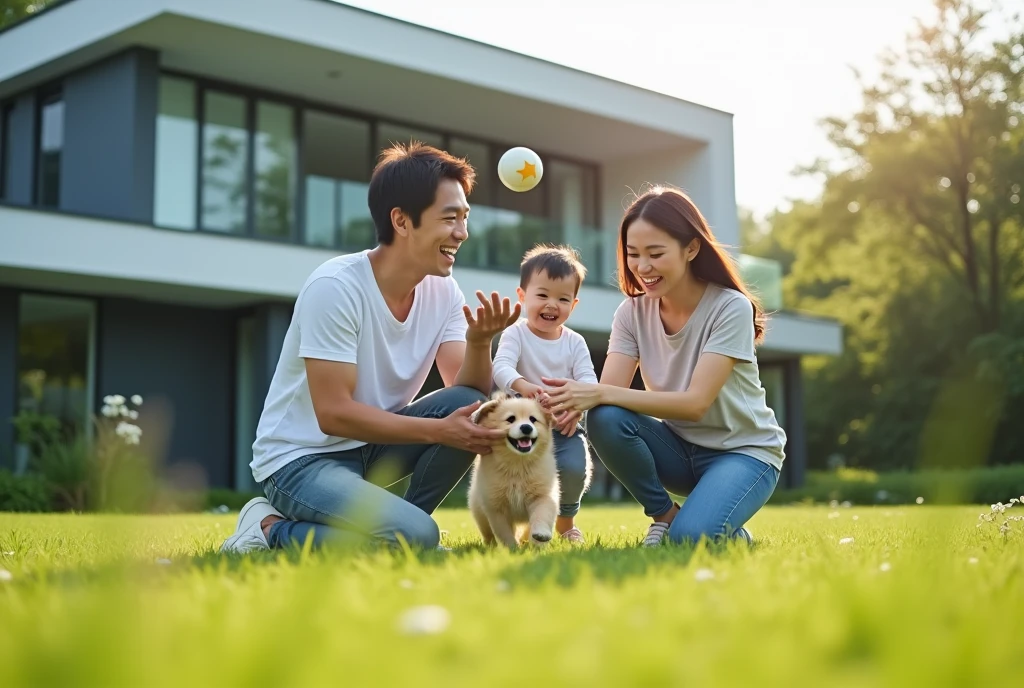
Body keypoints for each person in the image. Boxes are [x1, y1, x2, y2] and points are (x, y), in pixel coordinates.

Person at [220, 142, 519, 554]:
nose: (462, 233)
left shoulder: (443, 290)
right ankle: (268, 528)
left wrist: (480, 341)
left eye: (464, 218)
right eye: (449, 218)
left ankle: (406, 532)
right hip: (300, 460)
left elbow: (466, 393)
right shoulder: (336, 287)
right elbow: (333, 415)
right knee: (415, 529)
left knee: (469, 404)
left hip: (370, 448)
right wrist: (437, 429)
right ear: (401, 220)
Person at [542, 186, 785, 547]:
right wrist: (567, 407)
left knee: (691, 539)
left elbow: (695, 402)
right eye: (633, 254)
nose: (642, 267)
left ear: (691, 248)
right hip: (679, 451)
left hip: (743, 454)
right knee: (606, 416)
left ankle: (731, 533)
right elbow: (608, 399)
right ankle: (664, 516)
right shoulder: (631, 312)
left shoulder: (730, 307)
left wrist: (596, 393)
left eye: (655, 254)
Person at [491, 245, 598, 543]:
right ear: (523, 296)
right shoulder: (516, 333)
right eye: (542, 295)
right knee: (510, 476)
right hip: (522, 426)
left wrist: (576, 407)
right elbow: (500, 366)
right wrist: (523, 386)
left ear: (573, 305)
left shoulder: (575, 343)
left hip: (562, 426)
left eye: (562, 299)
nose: (552, 305)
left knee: (575, 468)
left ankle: (565, 523)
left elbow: (589, 381)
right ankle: (509, 525)